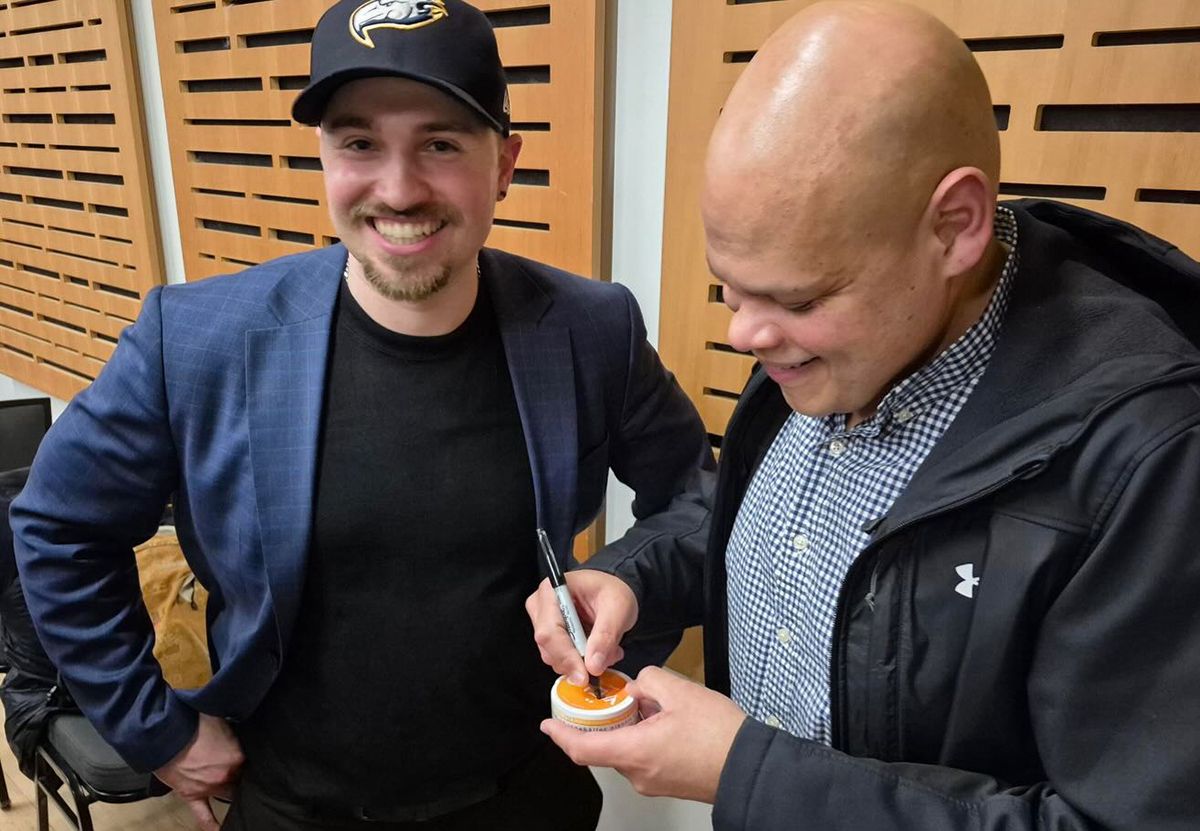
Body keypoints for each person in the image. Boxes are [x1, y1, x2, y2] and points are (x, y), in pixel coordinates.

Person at [10, 1, 713, 829]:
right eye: (359, 143)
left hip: (527, 791)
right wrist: (155, 726)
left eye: (441, 143)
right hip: (289, 800)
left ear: (505, 163)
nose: (398, 188)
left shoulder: (591, 328)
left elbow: (704, 502)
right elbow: (58, 528)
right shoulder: (194, 338)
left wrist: (625, 577)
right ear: (325, 155)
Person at [526, 2, 1200, 829]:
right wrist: (632, 579)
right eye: (730, 288)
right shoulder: (830, 341)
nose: (744, 334)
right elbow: (766, 521)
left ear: (954, 227)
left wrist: (752, 774)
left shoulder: (1149, 464)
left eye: (796, 296)